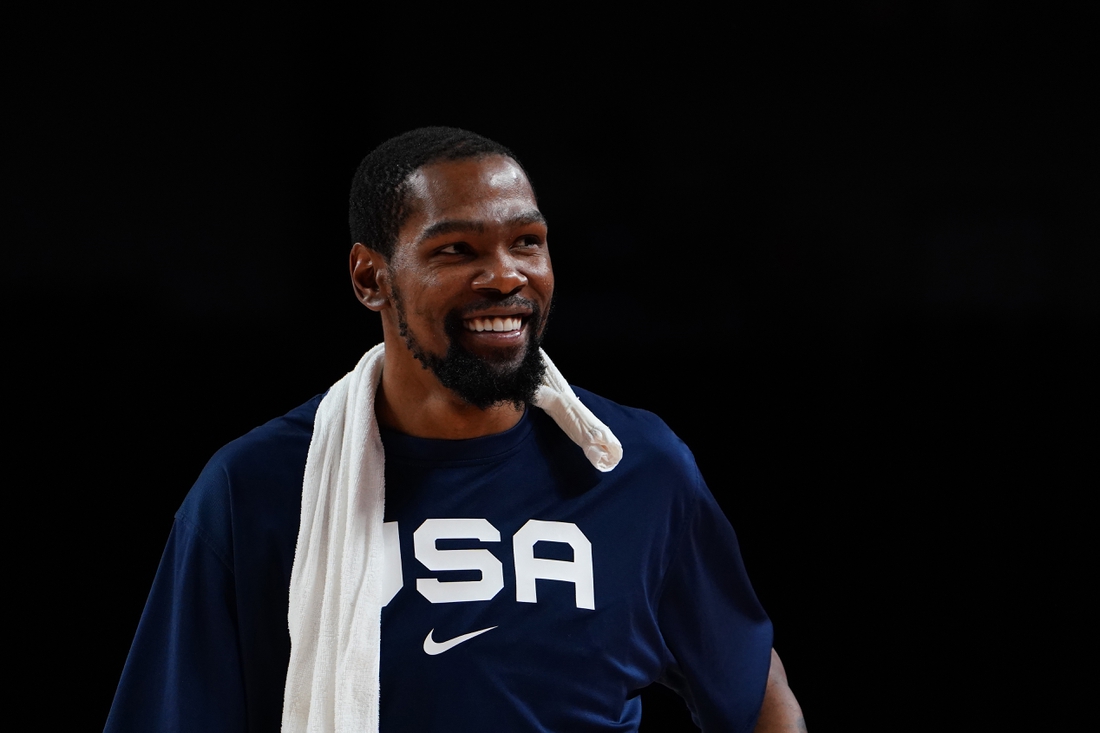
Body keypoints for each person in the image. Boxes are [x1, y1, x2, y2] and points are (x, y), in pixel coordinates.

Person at [105, 127, 806, 732]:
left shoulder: (635, 467)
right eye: (456, 250)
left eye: (526, 242)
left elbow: (753, 691)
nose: (505, 275)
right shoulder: (255, 488)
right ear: (370, 278)